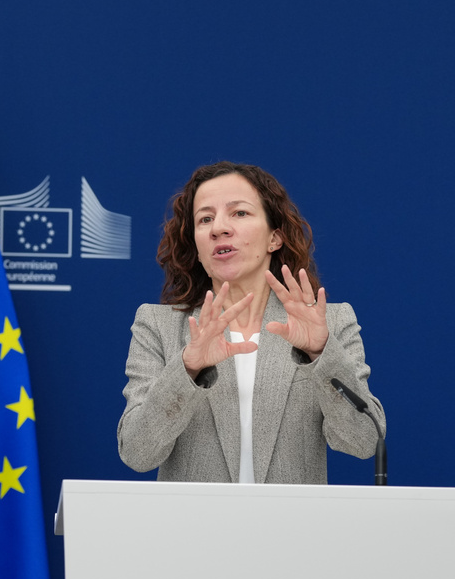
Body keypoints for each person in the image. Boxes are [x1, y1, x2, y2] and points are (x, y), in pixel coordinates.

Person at [116, 161, 384, 483]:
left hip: (291, 529)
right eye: (205, 219)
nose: (219, 228)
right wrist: (186, 368)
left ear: (274, 238)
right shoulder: (158, 326)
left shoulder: (330, 322)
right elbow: (137, 453)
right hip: (192, 530)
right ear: (198, 247)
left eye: (239, 213)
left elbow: (364, 441)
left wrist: (321, 353)